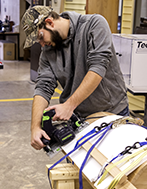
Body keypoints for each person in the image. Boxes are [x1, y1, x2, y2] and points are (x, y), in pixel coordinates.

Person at [21, 6, 129, 150]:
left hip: (111, 113)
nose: (41, 44)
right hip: (77, 120)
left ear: (50, 22)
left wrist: (68, 106)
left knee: (115, 167)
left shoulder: (94, 25)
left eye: (40, 37)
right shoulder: (47, 52)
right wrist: (35, 127)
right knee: (80, 169)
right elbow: (43, 87)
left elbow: (97, 68)